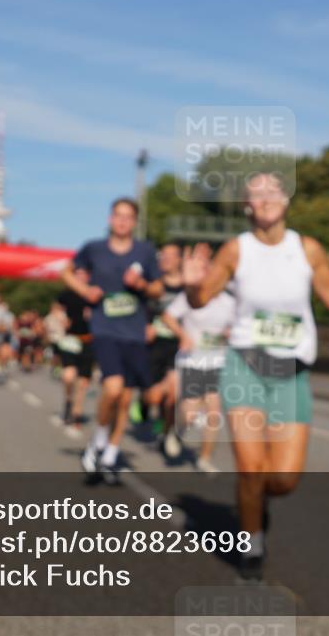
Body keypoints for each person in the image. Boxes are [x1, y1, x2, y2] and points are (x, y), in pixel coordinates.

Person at [182, 172, 329, 581]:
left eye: (273, 191)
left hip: (292, 373)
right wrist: (192, 286)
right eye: (255, 193)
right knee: (251, 468)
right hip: (245, 365)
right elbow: (201, 299)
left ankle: (258, 505)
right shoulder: (236, 250)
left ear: (286, 200)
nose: (265, 198)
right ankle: (252, 542)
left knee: (282, 479)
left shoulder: (308, 248)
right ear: (247, 205)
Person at [60, 197, 163, 484]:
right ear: (110, 219)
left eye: (128, 216)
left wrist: (141, 285)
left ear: (135, 222)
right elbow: (66, 272)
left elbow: (158, 288)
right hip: (105, 329)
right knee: (113, 387)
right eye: (118, 215)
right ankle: (99, 439)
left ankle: (109, 454)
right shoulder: (94, 249)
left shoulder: (145, 251)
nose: (122, 221)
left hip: (134, 333)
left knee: (126, 397)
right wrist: (85, 290)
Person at [161, 271, 235, 474]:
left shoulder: (230, 302)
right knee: (190, 413)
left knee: (213, 413)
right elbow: (167, 317)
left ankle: (204, 458)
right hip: (192, 361)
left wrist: (230, 332)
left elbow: (238, 325)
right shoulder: (191, 297)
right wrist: (182, 335)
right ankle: (178, 432)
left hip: (218, 362)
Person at [143, 242, 184, 458]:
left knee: (173, 395)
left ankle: (168, 433)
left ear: (179, 259)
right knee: (154, 397)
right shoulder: (154, 286)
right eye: (163, 255)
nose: (166, 259)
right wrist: (145, 325)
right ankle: (144, 405)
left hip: (178, 347)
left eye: (171, 255)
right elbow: (140, 307)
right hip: (154, 345)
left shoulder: (188, 286)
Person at [55, 269, 94, 430]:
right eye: (78, 274)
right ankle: (68, 400)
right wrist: (62, 318)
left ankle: (76, 411)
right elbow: (56, 309)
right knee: (68, 376)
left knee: (84, 381)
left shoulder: (94, 293)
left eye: (84, 274)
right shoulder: (67, 294)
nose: (81, 277)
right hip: (71, 339)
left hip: (89, 341)